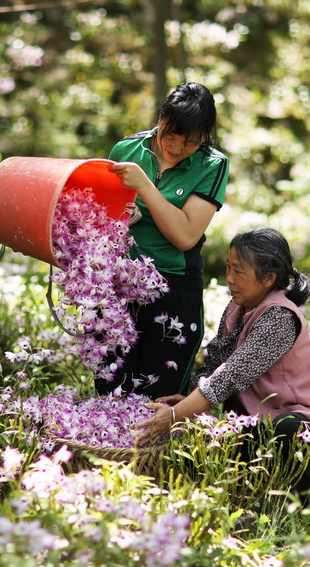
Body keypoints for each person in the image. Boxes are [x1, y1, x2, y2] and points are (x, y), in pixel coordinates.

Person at [134, 227, 310, 502]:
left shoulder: (279, 317)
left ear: (268, 278)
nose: (229, 279)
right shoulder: (238, 307)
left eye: (238, 271)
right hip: (259, 422)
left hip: (308, 427)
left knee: (286, 429)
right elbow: (214, 362)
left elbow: (231, 375)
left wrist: (176, 415)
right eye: (228, 268)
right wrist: (188, 402)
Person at [96, 82, 229, 400]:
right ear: (161, 118)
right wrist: (118, 217)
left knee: (159, 395)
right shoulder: (126, 150)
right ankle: (107, 453)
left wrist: (144, 187)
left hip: (173, 287)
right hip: (116, 286)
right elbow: (99, 214)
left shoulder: (211, 164)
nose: (177, 146)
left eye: (190, 142)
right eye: (169, 133)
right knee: (111, 389)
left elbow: (185, 236)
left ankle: (151, 453)